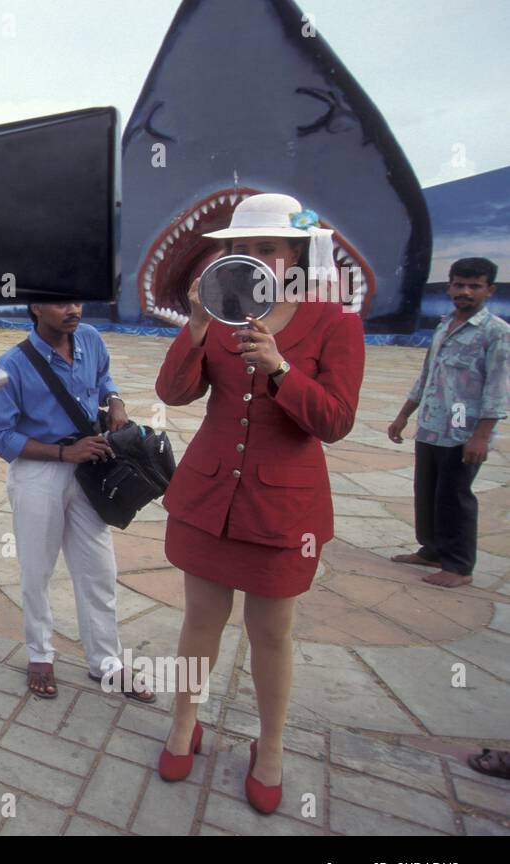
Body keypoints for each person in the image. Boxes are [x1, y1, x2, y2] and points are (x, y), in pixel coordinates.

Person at [154, 193, 365, 813]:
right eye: (239, 249)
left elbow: (335, 421)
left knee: (271, 633)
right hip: (209, 496)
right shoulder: (219, 314)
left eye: (267, 248)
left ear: (296, 255)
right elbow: (173, 392)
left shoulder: (335, 322)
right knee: (199, 621)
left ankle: (269, 747)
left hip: (283, 511)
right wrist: (195, 325)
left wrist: (281, 371)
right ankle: (183, 723)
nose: (252, 259)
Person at [0, 302, 155, 702]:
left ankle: (106, 662)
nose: (73, 309)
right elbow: (0, 436)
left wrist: (114, 400)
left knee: (98, 568)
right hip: (39, 472)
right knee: (37, 570)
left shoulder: (91, 340)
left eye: (77, 300)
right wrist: (64, 454)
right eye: (62, 302)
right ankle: (40, 654)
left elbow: (103, 377)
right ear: (35, 306)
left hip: (89, 469)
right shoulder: (11, 365)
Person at [388, 258, 508, 588]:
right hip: (432, 425)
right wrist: (403, 415)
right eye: (459, 285)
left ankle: (458, 565)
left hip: (463, 431)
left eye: (474, 286)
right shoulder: (444, 325)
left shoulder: (496, 333)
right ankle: (432, 550)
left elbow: (498, 389)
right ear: (450, 286)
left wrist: (481, 436)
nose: (465, 292)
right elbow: (427, 375)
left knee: (455, 497)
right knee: (427, 492)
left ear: (489, 290)